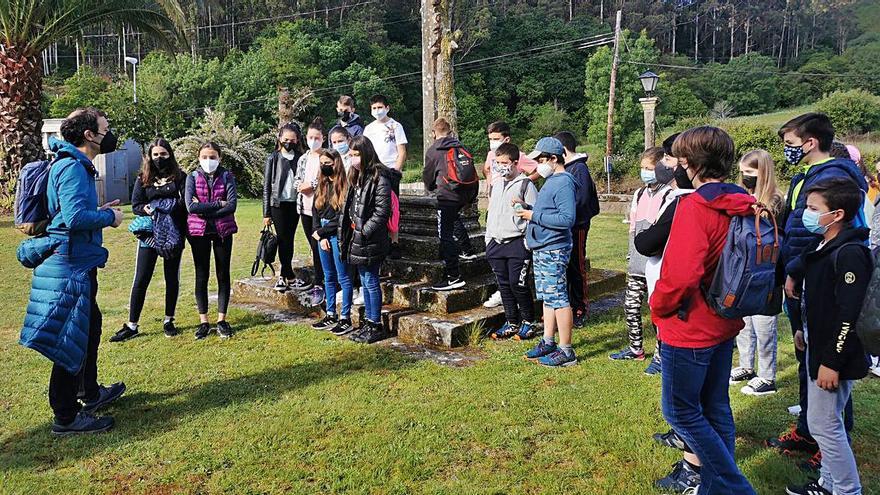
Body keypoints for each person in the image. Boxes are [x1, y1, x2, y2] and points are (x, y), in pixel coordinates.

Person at [650, 126, 757, 494]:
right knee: (715, 406)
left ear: (691, 164)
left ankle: (734, 487)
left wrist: (658, 309)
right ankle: (715, 488)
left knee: (680, 412)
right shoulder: (743, 201)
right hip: (725, 320)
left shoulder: (695, 206)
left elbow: (681, 275)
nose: (674, 167)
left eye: (678, 160)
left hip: (690, 324)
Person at [768, 113, 866, 471]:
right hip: (801, 272)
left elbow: (814, 235)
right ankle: (810, 430)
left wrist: (796, 268)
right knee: (806, 354)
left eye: (791, 144)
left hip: (817, 275)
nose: (787, 150)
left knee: (827, 363)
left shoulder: (833, 178)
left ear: (810, 143)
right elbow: (797, 226)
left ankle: (834, 439)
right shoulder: (805, 176)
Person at [20, 107, 126, 435]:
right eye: (105, 129)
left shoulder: (74, 165)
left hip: (79, 262)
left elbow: (72, 213)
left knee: (89, 327)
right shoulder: (72, 168)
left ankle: (89, 392)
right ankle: (65, 416)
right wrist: (110, 218)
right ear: (89, 135)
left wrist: (96, 210)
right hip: (69, 266)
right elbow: (74, 219)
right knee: (70, 336)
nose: (109, 134)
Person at [785, 178, 872, 495]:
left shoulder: (850, 254)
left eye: (812, 209)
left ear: (836, 214)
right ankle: (828, 483)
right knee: (824, 419)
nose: (806, 214)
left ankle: (848, 490)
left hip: (833, 355)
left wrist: (832, 362)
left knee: (825, 424)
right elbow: (807, 264)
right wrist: (801, 327)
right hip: (816, 345)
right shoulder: (824, 244)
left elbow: (847, 314)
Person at [632, 136, 703, 493]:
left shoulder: (687, 204)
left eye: (673, 159)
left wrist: (661, 306)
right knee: (705, 399)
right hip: (707, 315)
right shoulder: (714, 199)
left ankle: (699, 468)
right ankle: (697, 455)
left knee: (685, 403)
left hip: (684, 312)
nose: (666, 165)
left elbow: (649, 244)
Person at [112, 138, 187, 342]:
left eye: (163, 154)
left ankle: (168, 320)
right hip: (149, 235)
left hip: (173, 234)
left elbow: (185, 204)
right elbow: (136, 204)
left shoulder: (181, 177)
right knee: (141, 278)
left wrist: (163, 205)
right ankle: (132, 324)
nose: (159, 158)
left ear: (170, 154)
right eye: (155, 155)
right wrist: (146, 208)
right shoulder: (143, 178)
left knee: (172, 278)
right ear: (150, 156)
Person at [518, 137, 578, 367]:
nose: (538, 164)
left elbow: (566, 219)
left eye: (541, 159)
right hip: (542, 246)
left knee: (559, 298)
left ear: (554, 159)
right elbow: (548, 211)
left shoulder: (563, 182)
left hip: (554, 247)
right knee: (547, 297)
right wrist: (528, 209)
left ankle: (566, 349)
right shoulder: (552, 181)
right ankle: (548, 340)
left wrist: (533, 216)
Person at [729, 150, 784, 396]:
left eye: (750, 173)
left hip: (766, 272)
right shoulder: (742, 195)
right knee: (744, 324)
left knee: (764, 326)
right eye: (742, 172)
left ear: (762, 172)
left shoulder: (774, 200)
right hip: (745, 270)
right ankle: (745, 365)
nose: (745, 177)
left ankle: (767, 375)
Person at [610, 147, 671, 362]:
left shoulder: (669, 195)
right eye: (642, 168)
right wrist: (630, 254)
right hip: (636, 264)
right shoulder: (639, 193)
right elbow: (633, 228)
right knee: (631, 306)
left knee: (657, 310)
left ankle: (660, 354)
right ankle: (635, 348)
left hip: (656, 264)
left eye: (649, 168)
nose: (645, 172)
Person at [339, 136, 394, 344]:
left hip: (370, 239)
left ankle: (375, 323)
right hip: (357, 237)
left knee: (371, 281)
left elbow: (382, 211)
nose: (353, 159)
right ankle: (369, 322)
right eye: (351, 155)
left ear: (366, 153)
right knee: (364, 280)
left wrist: (364, 231)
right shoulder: (356, 175)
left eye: (356, 154)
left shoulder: (380, 177)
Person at [484, 143, 538, 340]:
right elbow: (492, 212)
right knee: (503, 284)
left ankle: (528, 321)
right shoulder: (497, 184)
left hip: (517, 242)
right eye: (497, 162)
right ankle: (511, 321)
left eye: (504, 163)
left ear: (515, 163)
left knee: (518, 283)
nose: (500, 166)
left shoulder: (526, 185)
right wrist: (489, 239)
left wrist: (527, 241)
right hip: (496, 242)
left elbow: (536, 213)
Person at [185, 141, 238, 340]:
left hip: (223, 231)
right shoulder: (192, 177)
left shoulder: (227, 176)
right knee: (202, 275)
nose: (209, 160)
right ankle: (204, 321)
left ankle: (222, 320)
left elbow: (232, 205)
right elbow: (190, 206)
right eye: (205, 157)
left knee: (223, 274)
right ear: (199, 158)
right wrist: (217, 205)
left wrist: (205, 208)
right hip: (198, 232)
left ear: (220, 158)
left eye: (213, 157)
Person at [422, 118, 479, 291]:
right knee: (454, 220)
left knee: (445, 235)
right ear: (450, 130)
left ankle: (453, 276)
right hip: (464, 194)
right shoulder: (461, 146)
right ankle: (467, 250)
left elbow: (428, 176)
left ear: (433, 133)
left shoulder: (434, 150)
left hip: (446, 196)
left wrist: (432, 187)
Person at [554, 131, 600, 327]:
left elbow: (581, 201)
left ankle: (580, 306)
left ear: (562, 151)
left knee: (577, 265)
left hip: (577, 226)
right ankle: (569, 305)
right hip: (564, 226)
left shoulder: (578, 169)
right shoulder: (567, 169)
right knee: (566, 266)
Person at [311, 149, 355, 336]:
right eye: (322, 163)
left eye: (328, 163)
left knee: (343, 277)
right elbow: (314, 211)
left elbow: (342, 217)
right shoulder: (320, 185)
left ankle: (345, 317)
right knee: (328, 276)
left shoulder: (345, 187)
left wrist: (322, 232)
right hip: (322, 235)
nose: (324, 166)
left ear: (336, 163)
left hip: (338, 234)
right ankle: (330, 313)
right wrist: (319, 235)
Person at [263, 122, 307, 292]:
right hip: (278, 205)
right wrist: (266, 212)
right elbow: (267, 187)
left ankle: (287, 275)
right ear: (280, 139)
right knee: (282, 239)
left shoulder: (300, 157)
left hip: (294, 204)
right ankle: (284, 276)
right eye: (286, 139)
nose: (289, 142)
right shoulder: (273, 158)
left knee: (289, 239)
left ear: (297, 140)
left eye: (292, 139)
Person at [363, 94, 407, 258]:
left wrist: (396, 170)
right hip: (373, 171)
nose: (377, 111)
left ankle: (394, 242)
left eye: (380, 107)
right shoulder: (369, 129)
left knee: (393, 208)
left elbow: (401, 151)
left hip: (390, 171)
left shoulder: (396, 126)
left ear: (387, 108)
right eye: (374, 108)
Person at [330, 125, 364, 305]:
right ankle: (347, 287)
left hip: (354, 211)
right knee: (344, 252)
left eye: (340, 141)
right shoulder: (332, 160)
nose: (337, 145)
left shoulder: (354, 160)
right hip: (338, 210)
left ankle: (359, 287)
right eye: (334, 142)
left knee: (355, 252)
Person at [294, 117, 326, 289]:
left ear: (323, 138)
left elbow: (326, 179)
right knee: (313, 246)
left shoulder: (327, 157)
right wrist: (300, 186)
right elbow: (297, 179)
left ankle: (325, 280)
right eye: (310, 138)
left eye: (317, 138)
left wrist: (311, 185)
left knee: (321, 245)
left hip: (321, 208)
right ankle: (319, 282)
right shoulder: (303, 158)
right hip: (304, 208)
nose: (313, 141)